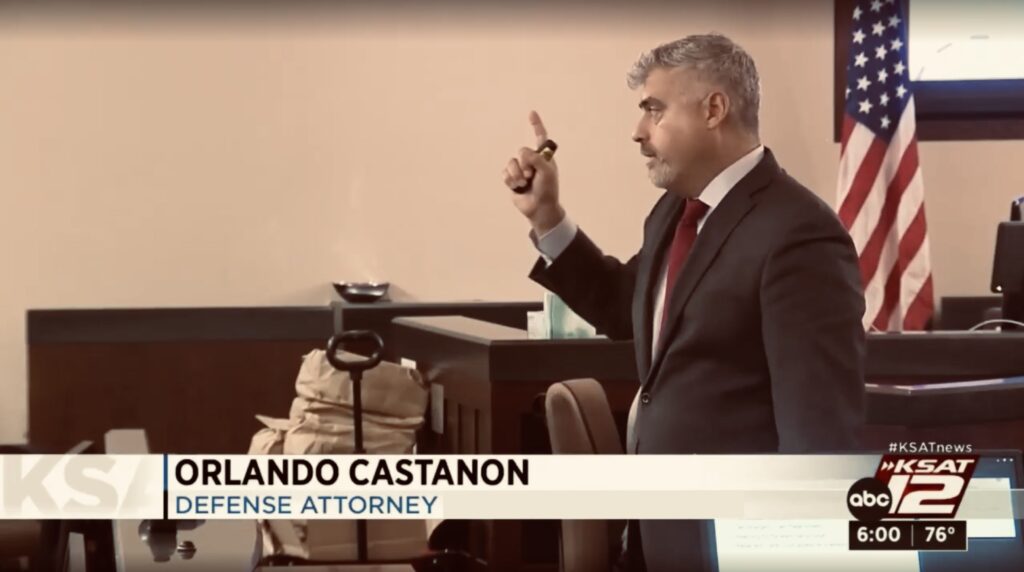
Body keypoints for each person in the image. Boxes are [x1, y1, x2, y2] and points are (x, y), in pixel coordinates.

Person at [501, 34, 866, 571]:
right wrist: (547, 219)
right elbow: (623, 305)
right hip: (658, 531)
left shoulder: (799, 234)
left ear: (714, 108)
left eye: (654, 109)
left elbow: (819, 428)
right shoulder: (673, 213)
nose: (638, 131)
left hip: (737, 544)